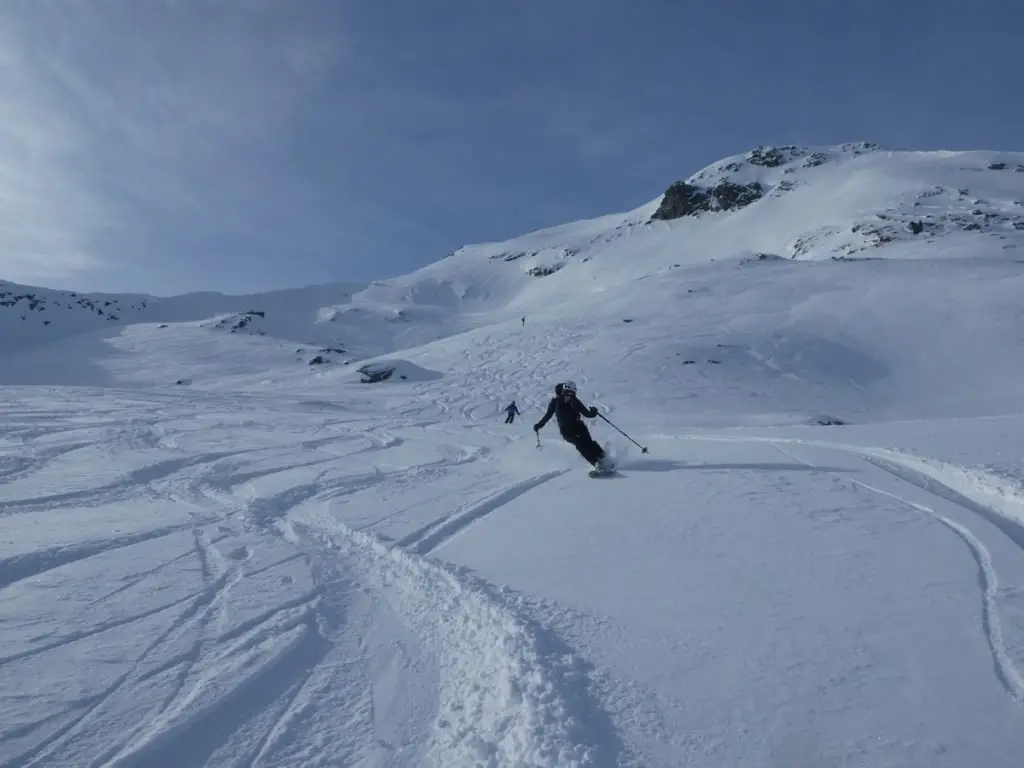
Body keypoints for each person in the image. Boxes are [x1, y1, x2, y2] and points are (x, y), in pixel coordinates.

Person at [533, 381, 607, 468]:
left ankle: (604, 457)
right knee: (580, 444)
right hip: (566, 430)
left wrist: (593, 412)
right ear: (563, 392)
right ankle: (596, 463)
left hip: (579, 426)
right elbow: (547, 416)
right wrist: (539, 425)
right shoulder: (555, 403)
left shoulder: (574, 401)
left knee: (588, 442)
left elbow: (586, 413)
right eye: (568, 393)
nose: (570, 396)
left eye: (572, 394)